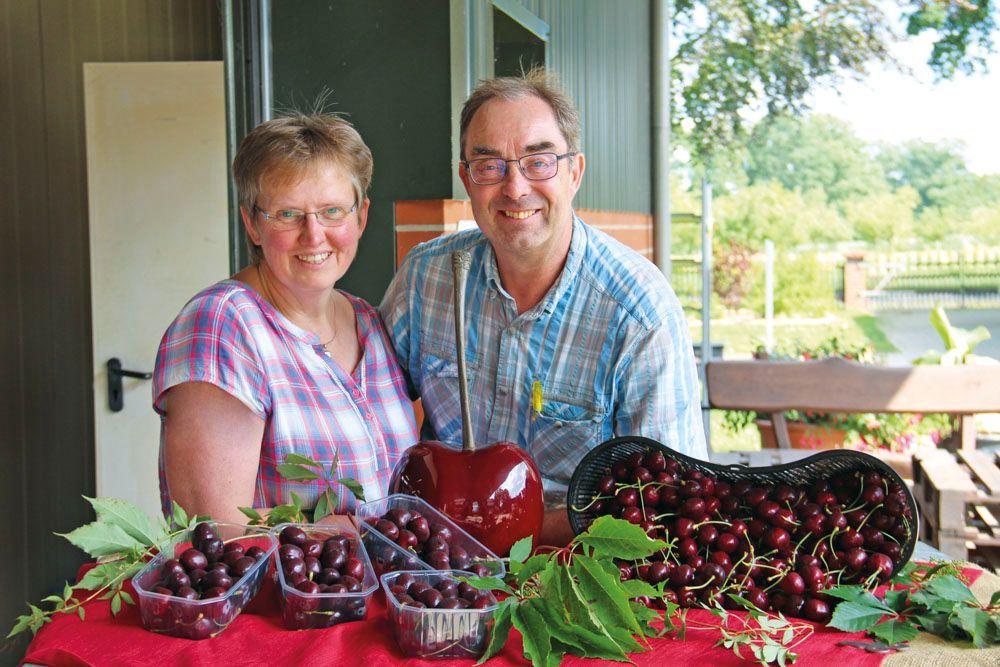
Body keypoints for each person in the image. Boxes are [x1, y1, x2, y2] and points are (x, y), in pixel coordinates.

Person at [380, 68, 707, 545]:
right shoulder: (426, 280)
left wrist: (512, 538)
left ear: (575, 172)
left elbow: (670, 499)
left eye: (539, 161)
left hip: (572, 573)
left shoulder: (638, 312)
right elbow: (365, 412)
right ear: (467, 180)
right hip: (435, 567)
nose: (514, 188)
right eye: (490, 165)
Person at [153, 113, 418, 524]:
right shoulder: (223, 325)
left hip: (384, 586)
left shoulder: (368, 320)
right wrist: (342, 533)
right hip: (285, 589)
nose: (314, 235)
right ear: (253, 224)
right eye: (288, 215)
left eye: (332, 211)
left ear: (361, 217)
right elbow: (214, 532)